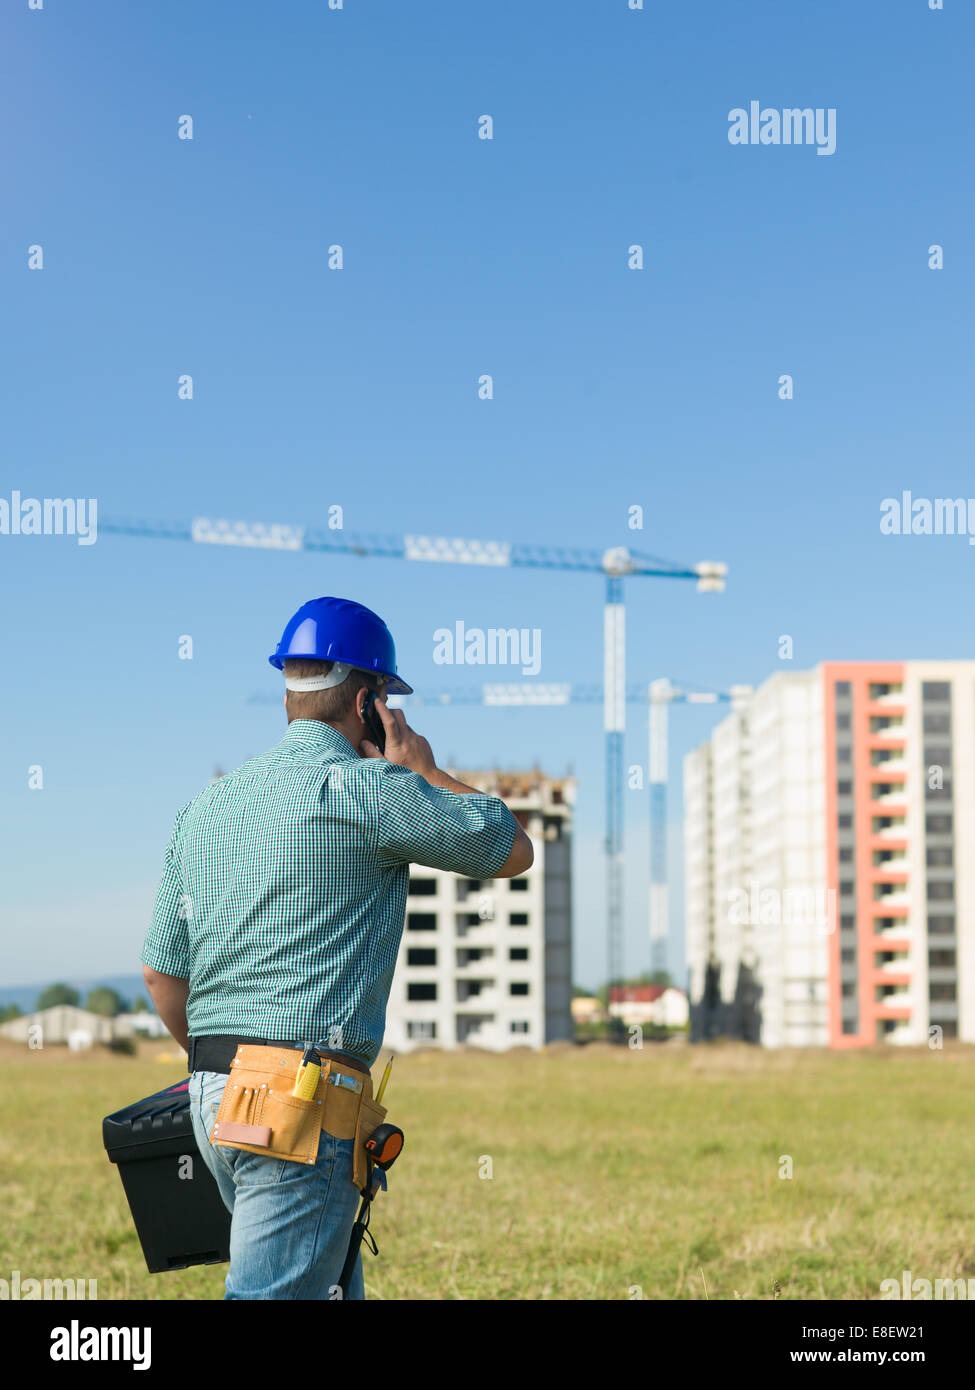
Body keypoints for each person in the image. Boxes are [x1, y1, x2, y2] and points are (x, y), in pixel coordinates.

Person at [141, 595, 532, 1299]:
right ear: (369, 700)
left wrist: (224, 1071)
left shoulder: (204, 808)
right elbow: (509, 847)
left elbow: (159, 974)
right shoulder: (370, 790)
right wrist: (423, 769)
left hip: (209, 1095)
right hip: (299, 1100)